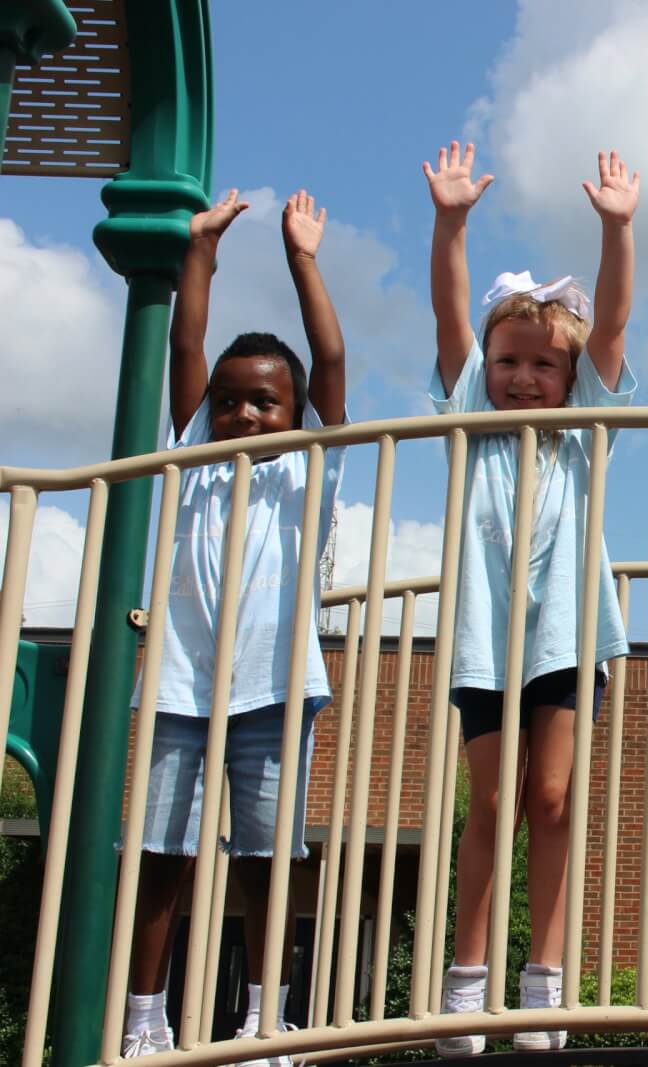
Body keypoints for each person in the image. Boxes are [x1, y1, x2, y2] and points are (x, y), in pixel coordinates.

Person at [121, 189, 348, 1067]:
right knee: (159, 850)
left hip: (273, 684)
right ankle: (147, 1014)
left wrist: (302, 260)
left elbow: (328, 357)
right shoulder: (196, 455)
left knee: (267, 857)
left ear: (295, 416)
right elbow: (186, 345)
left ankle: (267, 1017)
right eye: (231, 402)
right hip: (181, 680)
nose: (245, 417)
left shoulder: (308, 466)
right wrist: (200, 254)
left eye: (265, 405)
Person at [422, 141, 639, 1056]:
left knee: (551, 798)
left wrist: (617, 230)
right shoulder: (471, 417)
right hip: (484, 634)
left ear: (568, 379)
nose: (521, 377)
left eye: (542, 367)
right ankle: (466, 978)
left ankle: (541, 979)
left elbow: (616, 327)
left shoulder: (583, 437)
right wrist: (452, 224)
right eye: (508, 361)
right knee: (493, 799)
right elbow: (448, 319)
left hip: (561, 634)